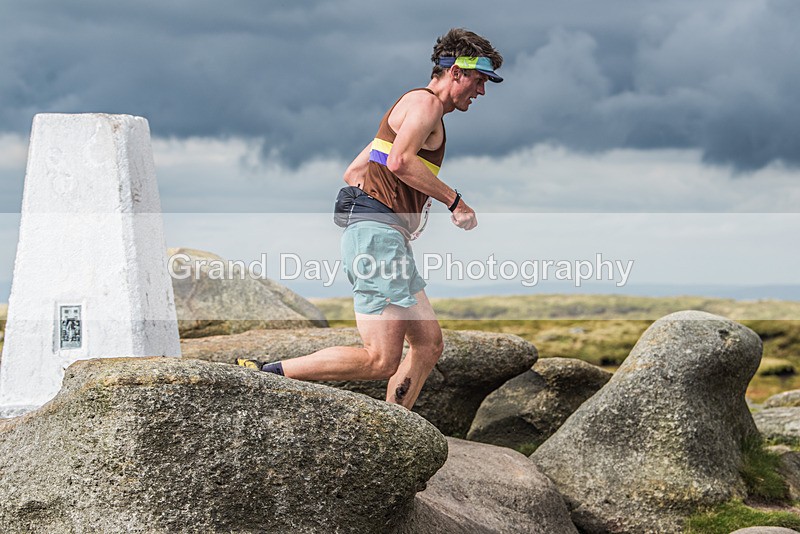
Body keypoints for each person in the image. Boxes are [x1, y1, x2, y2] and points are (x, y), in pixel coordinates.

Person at [238, 28, 503, 409]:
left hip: (382, 238)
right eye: (479, 81)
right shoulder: (425, 105)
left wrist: (389, 214)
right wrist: (454, 201)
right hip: (379, 241)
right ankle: (265, 374)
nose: (481, 92)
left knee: (428, 345)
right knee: (380, 359)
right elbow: (399, 161)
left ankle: (397, 422)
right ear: (456, 72)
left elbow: (357, 170)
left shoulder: (415, 109)